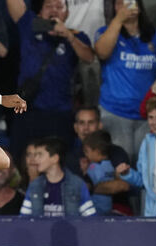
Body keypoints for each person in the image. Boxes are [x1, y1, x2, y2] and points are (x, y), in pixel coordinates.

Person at [6, 0, 94, 160]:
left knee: (58, 162)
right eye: (48, 6)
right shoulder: (29, 27)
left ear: (67, 13)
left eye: (59, 7)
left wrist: (68, 36)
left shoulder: (77, 36)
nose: (54, 10)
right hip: (26, 109)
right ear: (40, 13)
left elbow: (89, 58)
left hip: (59, 113)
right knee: (22, 161)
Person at [94, 0, 156, 163]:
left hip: (146, 113)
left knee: (145, 163)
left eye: (130, 1)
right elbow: (102, 53)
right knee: (122, 163)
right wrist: (118, 20)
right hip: (116, 111)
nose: (125, 6)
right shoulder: (105, 32)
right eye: (119, 3)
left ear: (139, 6)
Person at [20, 136, 97, 216]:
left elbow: (90, 218)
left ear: (55, 158)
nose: (35, 159)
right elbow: (24, 218)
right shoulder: (35, 185)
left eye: (40, 155)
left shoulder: (77, 184)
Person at [82, 129, 116, 215]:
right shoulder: (111, 165)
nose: (85, 154)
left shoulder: (94, 167)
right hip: (108, 208)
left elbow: (86, 185)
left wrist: (84, 171)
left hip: (94, 209)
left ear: (97, 152)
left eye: (87, 151)